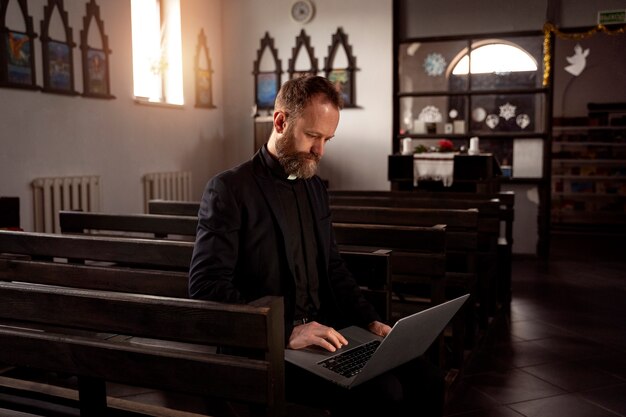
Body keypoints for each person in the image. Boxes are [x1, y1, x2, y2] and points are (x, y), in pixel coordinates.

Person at [189, 75, 445, 416]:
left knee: (428, 377)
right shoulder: (229, 189)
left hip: (326, 337)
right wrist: (285, 333)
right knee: (386, 394)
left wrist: (370, 321)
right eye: (312, 136)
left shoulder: (314, 187)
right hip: (267, 347)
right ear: (280, 121)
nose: (320, 150)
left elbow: (333, 267)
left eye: (328, 139)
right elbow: (205, 287)